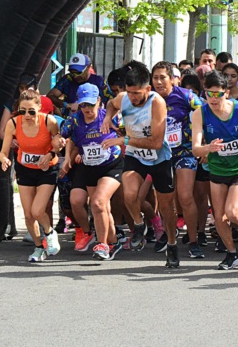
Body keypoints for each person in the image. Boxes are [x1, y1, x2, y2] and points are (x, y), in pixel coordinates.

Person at [102, 62, 176, 263]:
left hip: (159, 157)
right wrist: (108, 118)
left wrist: (123, 140)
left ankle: (171, 243)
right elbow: (110, 104)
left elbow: (156, 142)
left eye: (137, 93)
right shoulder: (124, 98)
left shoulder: (156, 103)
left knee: (167, 207)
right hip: (136, 155)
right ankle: (139, 224)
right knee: (130, 192)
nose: (133, 97)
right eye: (130, 92)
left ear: (148, 89)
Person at [191, 71, 238, 270]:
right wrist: (208, 148)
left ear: (226, 93)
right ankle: (232, 254)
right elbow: (195, 148)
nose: (213, 99)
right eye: (209, 94)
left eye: (218, 94)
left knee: (232, 212)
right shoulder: (200, 113)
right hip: (217, 169)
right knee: (219, 216)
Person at [60, 83, 126, 260]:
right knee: (102, 208)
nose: (87, 109)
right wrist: (65, 153)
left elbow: (131, 136)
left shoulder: (110, 117)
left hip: (112, 165)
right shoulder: (74, 120)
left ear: (99, 101)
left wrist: (117, 141)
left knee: (97, 202)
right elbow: (64, 137)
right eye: (83, 105)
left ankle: (102, 244)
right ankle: (113, 242)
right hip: (90, 167)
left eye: (90, 104)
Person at [0, 89, 64, 262]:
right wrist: (4, 160)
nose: (27, 115)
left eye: (31, 111)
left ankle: (50, 233)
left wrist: (50, 154)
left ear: (40, 108)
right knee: (28, 215)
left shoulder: (49, 121)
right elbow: (3, 151)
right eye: (23, 111)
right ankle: (38, 247)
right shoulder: (13, 123)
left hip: (46, 169)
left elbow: (58, 145)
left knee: (37, 210)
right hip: (25, 169)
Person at [151, 61, 204, 261]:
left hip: (185, 152)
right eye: (155, 78)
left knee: (185, 196)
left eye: (162, 77)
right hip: (160, 154)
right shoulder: (149, 99)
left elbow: (205, 113)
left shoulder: (186, 96)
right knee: (166, 200)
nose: (158, 82)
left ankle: (193, 241)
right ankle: (169, 235)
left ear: (173, 79)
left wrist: (203, 142)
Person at [47, 53, 113, 114]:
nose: (75, 76)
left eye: (78, 72)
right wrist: (66, 105)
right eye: (72, 72)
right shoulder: (67, 79)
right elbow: (51, 95)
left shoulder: (99, 82)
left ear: (88, 67)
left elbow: (111, 101)